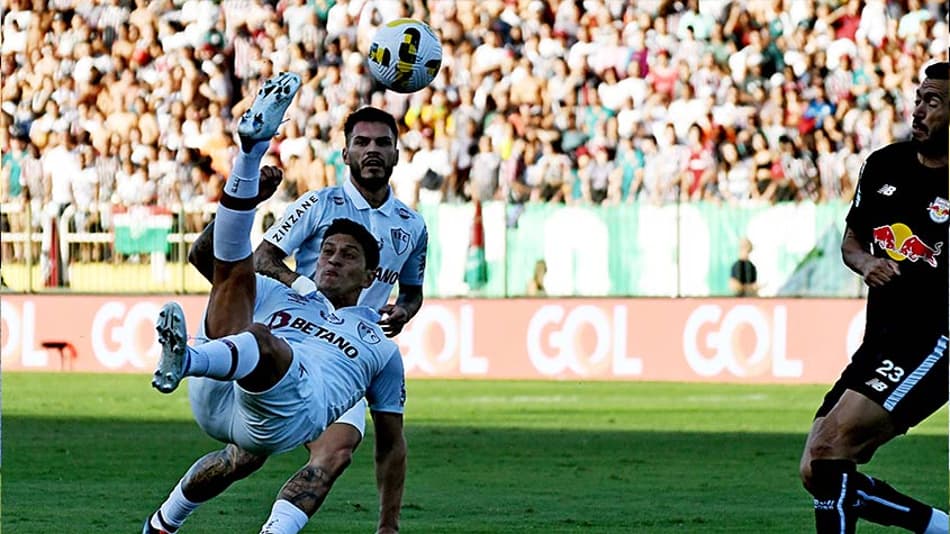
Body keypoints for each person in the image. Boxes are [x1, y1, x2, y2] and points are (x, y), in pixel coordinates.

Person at [143, 72, 406, 534]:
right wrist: (250, 193)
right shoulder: (308, 224)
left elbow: (391, 440)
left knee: (333, 452)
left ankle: (274, 530)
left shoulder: (382, 338)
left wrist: (388, 525)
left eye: (347, 255)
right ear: (345, 152)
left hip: (311, 390)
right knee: (239, 292)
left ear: (371, 275)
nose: (331, 260)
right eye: (327, 251)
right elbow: (220, 263)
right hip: (230, 386)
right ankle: (249, 149)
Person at [798, 61, 949, 534]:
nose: (919, 110)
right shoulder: (884, 165)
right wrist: (867, 264)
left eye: (934, 102)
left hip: (934, 341)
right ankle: (940, 528)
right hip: (880, 339)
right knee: (815, 471)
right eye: (919, 98)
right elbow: (851, 241)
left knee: (830, 450)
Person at [253, 105, 427, 511]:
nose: (372, 150)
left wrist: (404, 310)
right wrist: (304, 288)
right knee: (242, 457)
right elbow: (263, 258)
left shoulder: (412, 224)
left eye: (383, 143)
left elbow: (413, 291)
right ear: (345, 153)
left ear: (397, 154)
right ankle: (167, 518)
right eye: (361, 142)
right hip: (298, 344)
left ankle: (386, 525)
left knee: (339, 453)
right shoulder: (317, 203)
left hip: (353, 353)